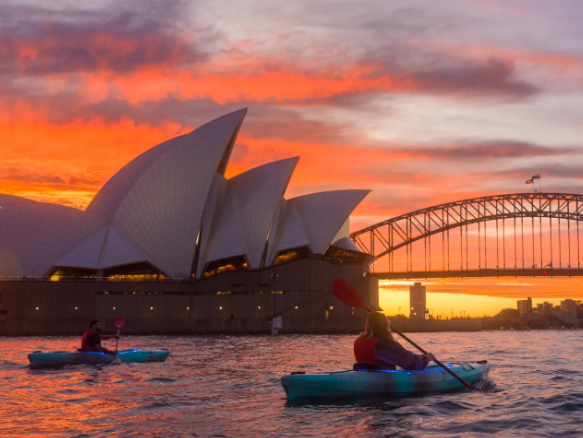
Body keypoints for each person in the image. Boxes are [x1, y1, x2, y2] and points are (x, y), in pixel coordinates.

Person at [354, 312, 436, 370]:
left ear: (368, 325)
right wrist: (427, 358)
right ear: (386, 325)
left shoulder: (359, 341)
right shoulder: (386, 344)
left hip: (363, 375)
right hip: (385, 380)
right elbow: (412, 363)